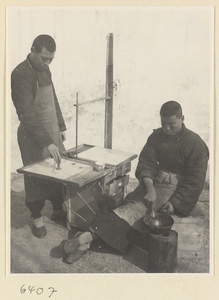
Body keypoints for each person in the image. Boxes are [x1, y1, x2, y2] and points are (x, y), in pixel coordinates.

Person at [58, 100, 209, 264]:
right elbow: (146, 163)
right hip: (154, 184)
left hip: (176, 190)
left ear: (182, 118)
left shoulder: (195, 144)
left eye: (171, 124)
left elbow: (195, 181)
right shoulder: (156, 137)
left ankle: (83, 242)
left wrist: (174, 204)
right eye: (163, 124)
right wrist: (150, 188)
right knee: (125, 210)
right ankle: (83, 243)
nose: (166, 129)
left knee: (138, 217)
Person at [11, 35, 67, 238]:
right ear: (33, 50)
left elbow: (52, 97)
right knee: (35, 176)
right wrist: (47, 142)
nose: (47, 63)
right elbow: (27, 113)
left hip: (50, 130)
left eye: (51, 59)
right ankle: (36, 217)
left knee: (58, 170)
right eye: (44, 58)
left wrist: (59, 125)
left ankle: (58, 208)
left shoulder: (45, 70)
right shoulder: (21, 73)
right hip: (31, 135)